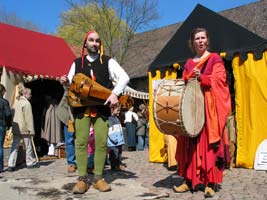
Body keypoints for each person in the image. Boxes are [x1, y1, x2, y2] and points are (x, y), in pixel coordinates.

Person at [60, 30, 129, 194]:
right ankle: (82, 179)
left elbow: (125, 77)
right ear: (86, 43)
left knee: (102, 143)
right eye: (91, 40)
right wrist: (64, 82)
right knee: (82, 142)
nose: (94, 43)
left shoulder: (108, 61)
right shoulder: (76, 63)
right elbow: (70, 85)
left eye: (97, 41)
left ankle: (98, 178)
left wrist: (114, 94)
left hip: (101, 109)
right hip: (81, 109)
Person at [173, 28, 231, 198]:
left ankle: (211, 183)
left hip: (208, 111)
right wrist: (186, 79)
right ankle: (188, 181)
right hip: (192, 111)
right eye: (197, 38)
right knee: (189, 147)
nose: (200, 41)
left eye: (203, 38)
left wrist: (203, 78)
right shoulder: (189, 62)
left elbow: (220, 80)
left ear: (207, 40)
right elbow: (184, 81)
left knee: (209, 147)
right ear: (192, 42)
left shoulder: (214, 58)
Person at [8, 86, 39, 171]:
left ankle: (11, 164)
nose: (31, 95)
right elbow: (29, 118)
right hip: (25, 128)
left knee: (14, 146)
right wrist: (31, 130)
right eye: (30, 94)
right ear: (25, 94)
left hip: (16, 127)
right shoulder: (27, 104)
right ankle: (30, 162)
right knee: (28, 146)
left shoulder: (16, 102)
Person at [55, 87, 76, 173]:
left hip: (82, 116)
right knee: (69, 140)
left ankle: (89, 162)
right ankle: (71, 163)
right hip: (69, 118)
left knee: (85, 140)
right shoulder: (69, 89)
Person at [107, 103, 124, 171]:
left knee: (119, 154)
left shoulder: (117, 118)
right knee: (114, 154)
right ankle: (113, 166)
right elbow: (110, 131)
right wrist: (114, 139)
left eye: (119, 110)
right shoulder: (110, 119)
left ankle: (117, 165)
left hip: (119, 141)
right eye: (117, 110)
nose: (119, 112)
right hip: (113, 142)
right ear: (112, 110)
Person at [0, 84, 12, 173]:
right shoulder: (4, 102)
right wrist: (9, 124)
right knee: (0, 146)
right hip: (1, 125)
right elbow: (8, 114)